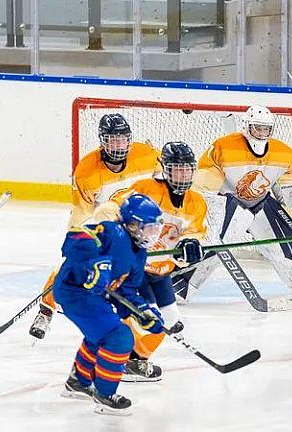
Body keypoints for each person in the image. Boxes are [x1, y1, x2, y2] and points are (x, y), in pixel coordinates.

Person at [28, 113, 160, 340]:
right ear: (102, 141)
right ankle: (46, 310)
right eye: (112, 140)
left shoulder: (147, 155)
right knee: (71, 264)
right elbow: (82, 217)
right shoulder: (87, 172)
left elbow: (160, 185)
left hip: (139, 223)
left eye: (122, 139)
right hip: (106, 226)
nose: (118, 145)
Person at [180, 105, 292, 301]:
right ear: (246, 127)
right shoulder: (223, 147)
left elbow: (287, 197)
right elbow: (205, 190)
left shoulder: (283, 154)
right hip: (227, 203)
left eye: (265, 129)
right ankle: (180, 284)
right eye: (257, 128)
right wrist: (209, 219)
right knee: (214, 244)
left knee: (281, 239)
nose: (261, 133)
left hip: (260, 202)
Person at [96, 141, 206, 382]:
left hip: (161, 271)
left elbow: (195, 232)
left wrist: (190, 245)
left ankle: (136, 360)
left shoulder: (197, 203)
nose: (183, 175)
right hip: (136, 268)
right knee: (144, 317)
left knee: (171, 323)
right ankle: (112, 359)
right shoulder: (146, 189)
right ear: (165, 169)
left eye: (187, 169)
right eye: (177, 169)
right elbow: (112, 209)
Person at [52, 193, 166, 416]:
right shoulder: (113, 232)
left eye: (156, 228)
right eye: (148, 228)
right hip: (74, 292)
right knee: (119, 337)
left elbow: (126, 291)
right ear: (132, 225)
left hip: (93, 298)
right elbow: (74, 238)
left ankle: (79, 382)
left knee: (101, 335)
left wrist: (144, 313)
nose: (153, 234)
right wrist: (97, 263)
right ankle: (105, 395)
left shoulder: (139, 254)